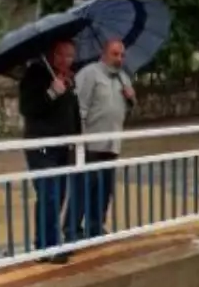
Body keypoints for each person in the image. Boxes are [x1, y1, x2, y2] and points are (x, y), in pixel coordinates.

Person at [66, 38, 136, 241]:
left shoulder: (123, 78)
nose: (119, 59)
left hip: (112, 143)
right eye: (115, 54)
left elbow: (125, 112)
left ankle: (95, 227)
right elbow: (79, 108)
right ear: (104, 54)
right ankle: (72, 229)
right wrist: (80, 139)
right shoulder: (90, 74)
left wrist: (131, 99)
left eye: (122, 55)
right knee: (84, 187)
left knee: (104, 189)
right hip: (89, 144)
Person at [18, 39, 81, 264]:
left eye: (71, 56)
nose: (66, 60)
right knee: (49, 195)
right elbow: (27, 108)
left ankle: (44, 244)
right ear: (51, 55)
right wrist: (51, 93)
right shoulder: (36, 74)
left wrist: (78, 139)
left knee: (58, 195)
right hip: (41, 146)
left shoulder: (69, 79)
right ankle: (49, 246)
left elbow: (71, 113)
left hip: (63, 147)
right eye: (61, 55)